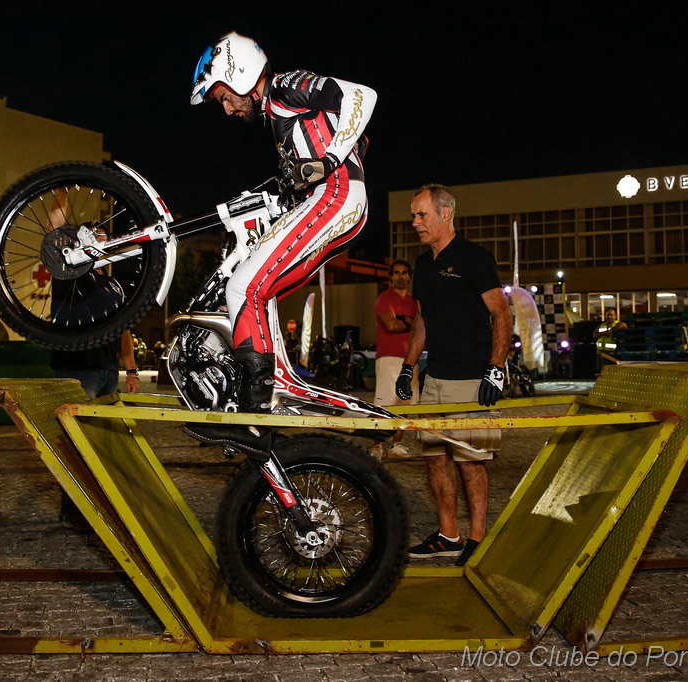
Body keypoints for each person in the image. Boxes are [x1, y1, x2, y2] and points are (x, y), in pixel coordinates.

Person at [183, 31, 377, 454]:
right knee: (255, 286)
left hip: (337, 195)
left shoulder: (285, 87)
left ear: (239, 74)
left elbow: (362, 95)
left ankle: (256, 416)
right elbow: (349, 136)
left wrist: (329, 159)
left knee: (243, 289)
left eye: (224, 98)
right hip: (332, 198)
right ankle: (275, 387)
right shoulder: (277, 113)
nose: (228, 110)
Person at [396, 185, 512, 566]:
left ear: (445, 214)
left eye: (421, 214)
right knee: (434, 457)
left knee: (470, 460)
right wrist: (408, 368)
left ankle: (477, 537)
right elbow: (421, 322)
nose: (415, 222)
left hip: (471, 378)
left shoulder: (474, 258)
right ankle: (449, 534)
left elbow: (501, 315)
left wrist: (495, 370)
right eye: (413, 216)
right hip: (435, 378)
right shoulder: (423, 265)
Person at [51, 329, 139, 530]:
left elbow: (123, 328)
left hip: (107, 370)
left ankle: (98, 504)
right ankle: (74, 508)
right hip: (76, 367)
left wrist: (131, 371)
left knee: (103, 442)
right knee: (76, 438)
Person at [372, 259, 419, 458]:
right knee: (384, 402)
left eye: (404, 272)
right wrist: (411, 322)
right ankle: (377, 445)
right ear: (391, 277)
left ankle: (396, 445)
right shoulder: (384, 298)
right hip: (388, 356)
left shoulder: (414, 300)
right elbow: (391, 325)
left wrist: (403, 320)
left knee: (404, 403)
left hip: (410, 358)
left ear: (409, 276)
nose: (400, 276)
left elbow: (422, 325)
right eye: (397, 272)